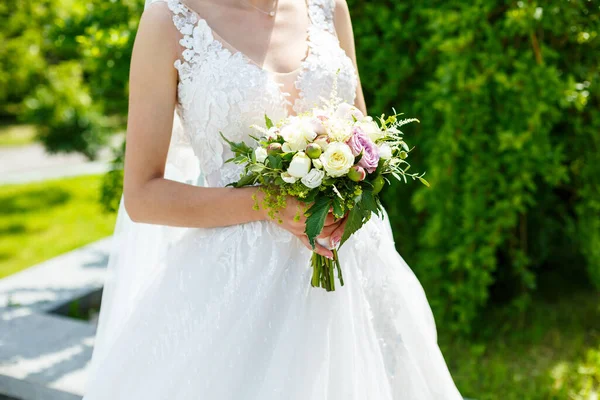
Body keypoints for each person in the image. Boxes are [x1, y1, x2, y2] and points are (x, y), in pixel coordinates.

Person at [83, 0, 463, 398]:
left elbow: (361, 132)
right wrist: (269, 203)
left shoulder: (329, 6)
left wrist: (352, 196)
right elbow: (143, 196)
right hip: (238, 285)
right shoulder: (169, 20)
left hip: (353, 264)